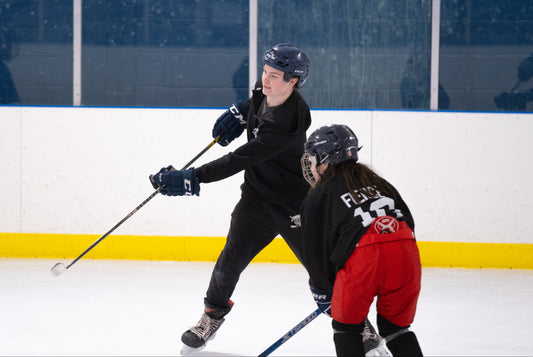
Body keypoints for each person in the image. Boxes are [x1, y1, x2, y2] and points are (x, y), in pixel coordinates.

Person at [149, 43, 313, 353]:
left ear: (293, 80)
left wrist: (193, 177)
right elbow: (257, 102)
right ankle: (211, 317)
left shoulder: (288, 124)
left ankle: (357, 326)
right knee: (230, 261)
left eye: (275, 76)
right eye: (265, 72)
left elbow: (238, 159)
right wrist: (242, 112)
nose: (265, 80)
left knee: (320, 267)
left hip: (293, 202)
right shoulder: (264, 90)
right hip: (256, 198)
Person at [300, 124, 423, 357]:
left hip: (365, 258)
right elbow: (408, 222)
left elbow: (315, 254)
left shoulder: (320, 194)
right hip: (405, 252)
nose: (312, 164)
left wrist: (323, 291)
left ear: (325, 158)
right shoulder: (380, 182)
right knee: (397, 330)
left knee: (346, 329)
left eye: (315, 157)